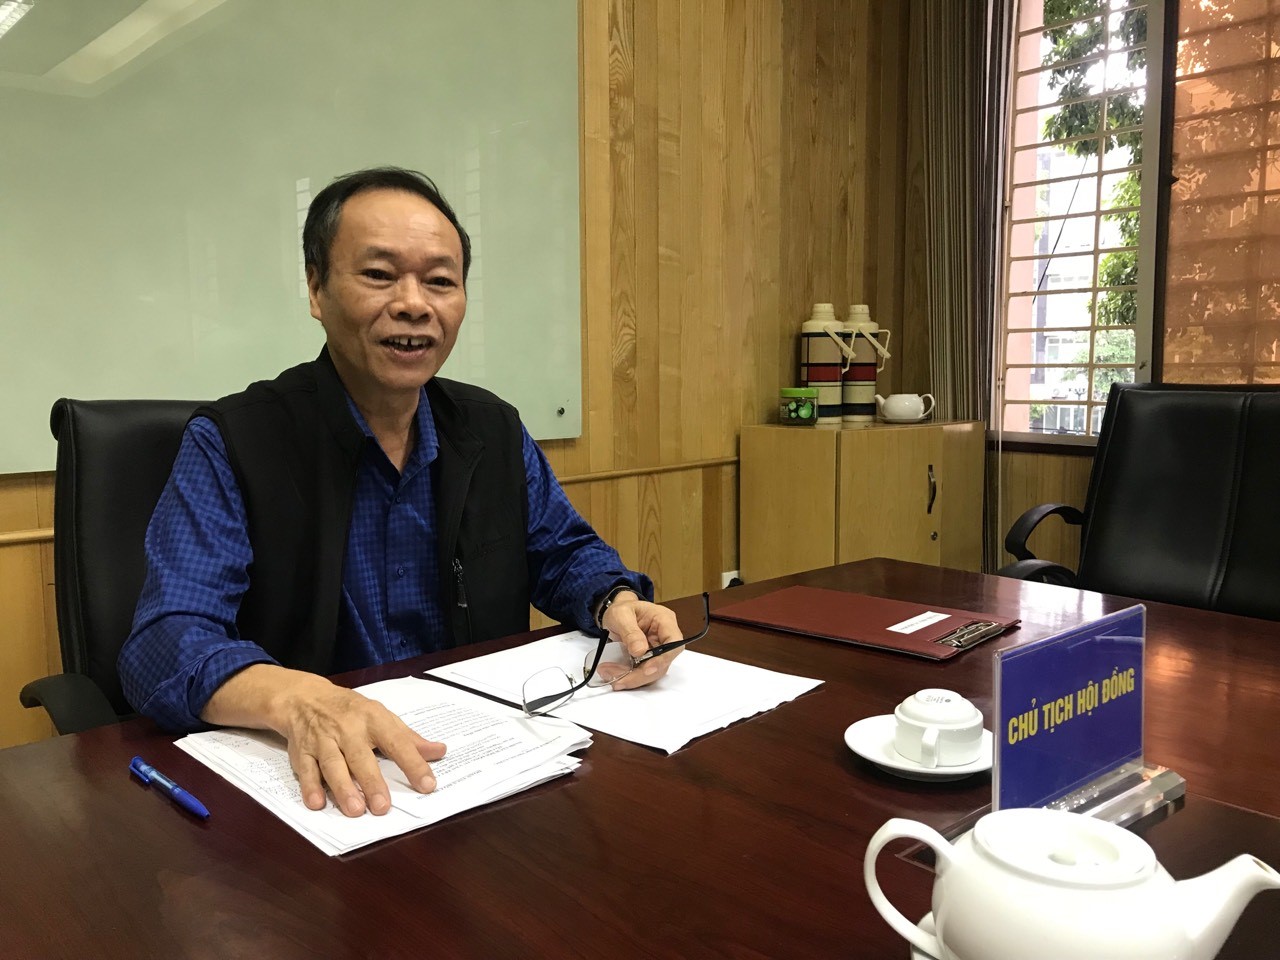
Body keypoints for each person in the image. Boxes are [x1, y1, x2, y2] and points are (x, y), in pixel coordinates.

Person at [119, 167, 684, 819]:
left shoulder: (490, 430)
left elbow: (562, 552)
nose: (414, 304)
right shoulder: (235, 442)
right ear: (316, 289)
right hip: (324, 792)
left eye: (440, 281)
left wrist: (615, 600)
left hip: (479, 770)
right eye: (379, 274)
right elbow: (165, 639)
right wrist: (295, 698)